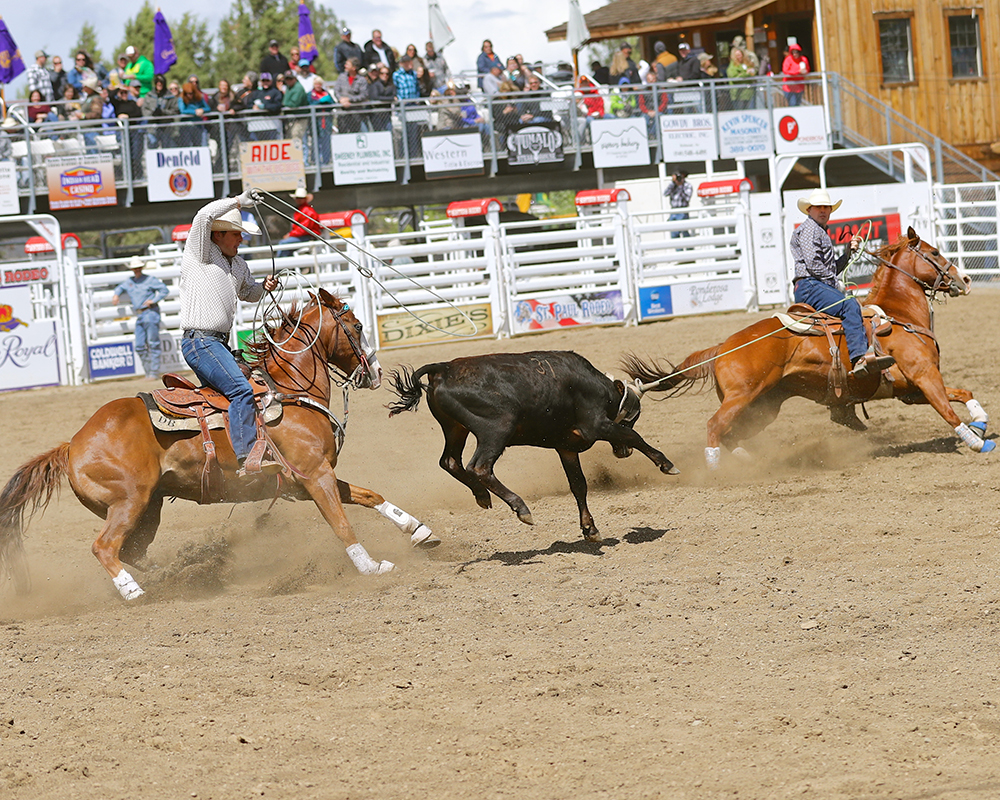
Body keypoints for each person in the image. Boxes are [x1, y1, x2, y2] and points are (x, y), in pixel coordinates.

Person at [179, 190, 281, 476]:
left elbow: (249, 292)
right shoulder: (201, 252)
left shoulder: (238, 264)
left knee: (237, 393)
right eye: (235, 234)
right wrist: (239, 200)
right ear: (218, 235)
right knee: (240, 389)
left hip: (216, 344)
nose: (241, 239)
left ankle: (222, 457)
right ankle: (247, 456)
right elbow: (203, 215)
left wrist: (264, 287)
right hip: (200, 341)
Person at [790, 188, 895, 381]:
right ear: (809, 210)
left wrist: (847, 252)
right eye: (819, 207)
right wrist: (834, 283)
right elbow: (813, 265)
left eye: (826, 207)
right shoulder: (809, 230)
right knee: (849, 305)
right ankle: (859, 357)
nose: (823, 210)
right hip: (810, 286)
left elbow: (828, 267)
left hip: (813, 285)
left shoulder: (817, 230)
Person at [115, 256, 170, 380]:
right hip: (140, 314)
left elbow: (164, 290)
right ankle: (149, 371)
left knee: (153, 343)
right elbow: (120, 287)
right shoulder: (129, 282)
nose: (137, 270)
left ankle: (153, 372)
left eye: (138, 268)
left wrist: (154, 300)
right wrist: (116, 294)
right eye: (135, 268)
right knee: (139, 345)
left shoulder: (150, 280)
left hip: (150, 312)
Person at [276, 188, 321, 256]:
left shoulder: (308, 211)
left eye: (301, 198)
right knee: (286, 246)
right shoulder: (301, 210)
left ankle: (280, 264)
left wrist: (290, 235)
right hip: (303, 236)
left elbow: (304, 229)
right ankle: (287, 264)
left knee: (283, 244)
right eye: (297, 198)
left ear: (305, 199)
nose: (298, 199)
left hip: (308, 237)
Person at [333, 57, 369, 133]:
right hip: (342, 112)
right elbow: (336, 90)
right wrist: (341, 100)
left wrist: (349, 99)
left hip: (356, 113)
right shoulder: (341, 77)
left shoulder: (361, 80)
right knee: (343, 133)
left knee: (355, 133)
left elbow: (363, 95)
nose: (345, 66)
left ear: (354, 67)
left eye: (347, 64)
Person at [664, 170, 692, 239]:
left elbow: (687, 198)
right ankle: (679, 249)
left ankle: (690, 249)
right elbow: (665, 193)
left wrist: (680, 186)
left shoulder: (687, 186)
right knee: (674, 233)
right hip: (673, 210)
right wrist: (673, 183)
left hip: (683, 210)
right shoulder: (673, 186)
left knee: (684, 231)